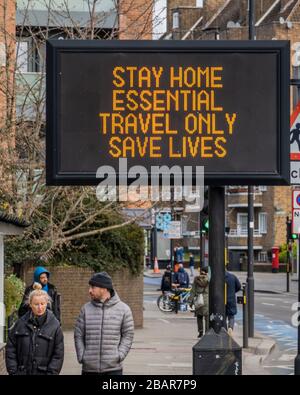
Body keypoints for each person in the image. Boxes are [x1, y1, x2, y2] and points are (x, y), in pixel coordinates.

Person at [74, 272, 134, 375]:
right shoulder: (85, 309)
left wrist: (119, 355)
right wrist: (82, 356)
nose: (89, 290)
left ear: (104, 288)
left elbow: (128, 335)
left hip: (113, 370)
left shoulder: (124, 309)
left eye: (93, 287)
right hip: (89, 370)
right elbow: (78, 334)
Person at [6, 283, 64, 375]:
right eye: (36, 304)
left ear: (47, 304)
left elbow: (58, 355)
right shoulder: (20, 324)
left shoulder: (55, 326)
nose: (40, 308)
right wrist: (13, 371)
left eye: (42, 304)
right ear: (30, 304)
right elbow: (10, 348)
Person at [189, 267, 209, 338]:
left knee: (199, 317)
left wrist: (190, 301)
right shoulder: (209, 279)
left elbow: (193, 290)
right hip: (207, 299)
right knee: (207, 317)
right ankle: (207, 332)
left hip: (198, 299)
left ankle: (200, 331)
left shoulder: (196, 279)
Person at [225, 270, 241, 335]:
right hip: (231, 299)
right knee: (231, 316)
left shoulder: (219, 277)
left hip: (221, 300)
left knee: (223, 316)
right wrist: (233, 291)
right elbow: (239, 286)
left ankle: (225, 330)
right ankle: (230, 328)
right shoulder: (232, 277)